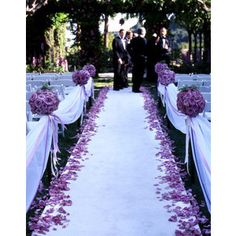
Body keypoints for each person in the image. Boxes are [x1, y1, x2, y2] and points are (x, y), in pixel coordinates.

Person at [130, 27, 147, 93]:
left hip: (134, 59)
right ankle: (137, 88)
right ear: (143, 32)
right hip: (141, 59)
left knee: (135, 73)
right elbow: (146, 50)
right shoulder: (144, 40)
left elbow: (129, 48)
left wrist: (132, 55)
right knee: (140, 74)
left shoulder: (133, 40)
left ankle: (134, 87)